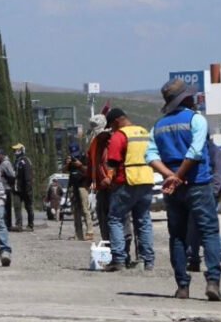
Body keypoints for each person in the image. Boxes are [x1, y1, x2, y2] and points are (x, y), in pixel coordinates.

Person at [148, 78, 221, 301]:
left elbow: (150, 156)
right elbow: (195, 152)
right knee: (209, 232)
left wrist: (170, 176)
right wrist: (178, 176)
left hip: (173, 190)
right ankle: (213, 281)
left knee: (178, 236)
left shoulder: (158, 126)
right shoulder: (196, 120)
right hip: (197, 183)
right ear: (186, 99)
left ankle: (182, 286)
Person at [102, 108, 156, 272]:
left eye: (111, 126)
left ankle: (118, 259)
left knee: (115, 219)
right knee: (143, 220)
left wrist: (109, 178)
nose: (112, 129)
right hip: (146, 180)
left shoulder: (119, 136)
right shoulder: (144, 132)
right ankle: (147, 261)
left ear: (116, 121)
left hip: (127, 181)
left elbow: (113, 161)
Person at [187, 136, 221, 271]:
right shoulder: (196, 150)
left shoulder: (213, 150)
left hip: (210, 193)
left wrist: (214, 192)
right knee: (195, 226)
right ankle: (194, 258)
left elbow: (218, 173)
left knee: (207, 227)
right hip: (198, 192)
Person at [87, 114, 113, 243]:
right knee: (102, 217)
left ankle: (119, 248)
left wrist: (109, 178)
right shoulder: (95, 144)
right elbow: (92, 163)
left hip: (113, 186)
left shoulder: (113, 141)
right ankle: (107, 244)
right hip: (101, 188)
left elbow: (117, 161)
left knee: (114, 219)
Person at [64, 142, 93, 241]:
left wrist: (80, 165)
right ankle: (78, 233)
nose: (74, 157)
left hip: (83, 185)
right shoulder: (69, 159)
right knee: (76, 210)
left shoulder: (84, 158)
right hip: (73, 186)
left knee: (85, 209)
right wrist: (68, 164)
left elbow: (89, 171)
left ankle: (89, 231)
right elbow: (64, 170)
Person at [12, 143, 35, 231]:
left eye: (16, 150)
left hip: (26, 189)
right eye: (14, 150)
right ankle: (19, 225)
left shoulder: (26, 161)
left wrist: (28, 190)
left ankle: (30, 224)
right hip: (17, 189)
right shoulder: (16, 161)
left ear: (21, 150)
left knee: (28, 207)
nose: (15, 152)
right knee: (17, 206)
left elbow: (28, 177)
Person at [0, 148, 16, 230]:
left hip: (6, 188)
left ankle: (8, 225)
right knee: (1, 207)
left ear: (2, 155)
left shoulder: (6, 163)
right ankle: (3, 224)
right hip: (0, 188)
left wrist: (6, 178)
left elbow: (12, 175)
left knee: (7, 208)